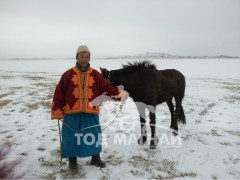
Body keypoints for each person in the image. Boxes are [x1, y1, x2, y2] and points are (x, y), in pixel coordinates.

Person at [51, 45, 127, 172]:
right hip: (71, 112)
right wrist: (57, 110)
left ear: (89, 58)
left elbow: (107, 89)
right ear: (76, 57)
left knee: (93, 135)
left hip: (90, 112)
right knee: (71, 136)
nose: (84, 59)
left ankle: (95, 158)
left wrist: (120, 95)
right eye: (81, 56)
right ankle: (72, 160)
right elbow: (59, 93)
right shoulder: (68, 75)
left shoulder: (96, 75)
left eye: (86, 57)